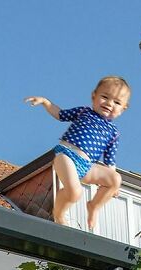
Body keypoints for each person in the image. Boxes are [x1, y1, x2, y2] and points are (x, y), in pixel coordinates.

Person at [25, 77, 131, 229]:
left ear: (123, 109)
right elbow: (60, 114)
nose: (109, 103)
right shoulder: (84, 112)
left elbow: (110, 163)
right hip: (66, 155)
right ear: (94, 96)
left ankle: (94, 206)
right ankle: (58, 214)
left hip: (86, 166)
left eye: (117, 102)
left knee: (116, 179)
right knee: (75, 193)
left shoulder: (114, 133)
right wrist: (45, 102)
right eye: (105, 97)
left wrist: (114, 187)